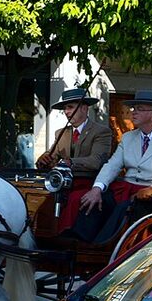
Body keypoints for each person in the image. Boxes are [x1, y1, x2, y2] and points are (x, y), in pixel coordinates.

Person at [74, 90, 152, 244]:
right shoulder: (128, 138)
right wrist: (97, 188)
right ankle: (81, 245)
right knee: (94, 200)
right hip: (126, 189)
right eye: (133, 108)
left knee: (125, 208)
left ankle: (103, 247)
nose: (133, 112)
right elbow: (112, 165)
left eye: (139, 109)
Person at [36, 88, 112, 231]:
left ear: (84, 108)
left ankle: (65, 235)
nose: (66, 112)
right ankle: (41, 233)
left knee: (73, 200)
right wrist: (43, 160)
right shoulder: (61, 133)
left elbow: (96, 161)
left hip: (88, 184)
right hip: (61, 185)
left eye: (70, 107)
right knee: (40, 200)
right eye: (65, 108)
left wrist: (70, 162)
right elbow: (51, 155)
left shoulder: (101, 131)